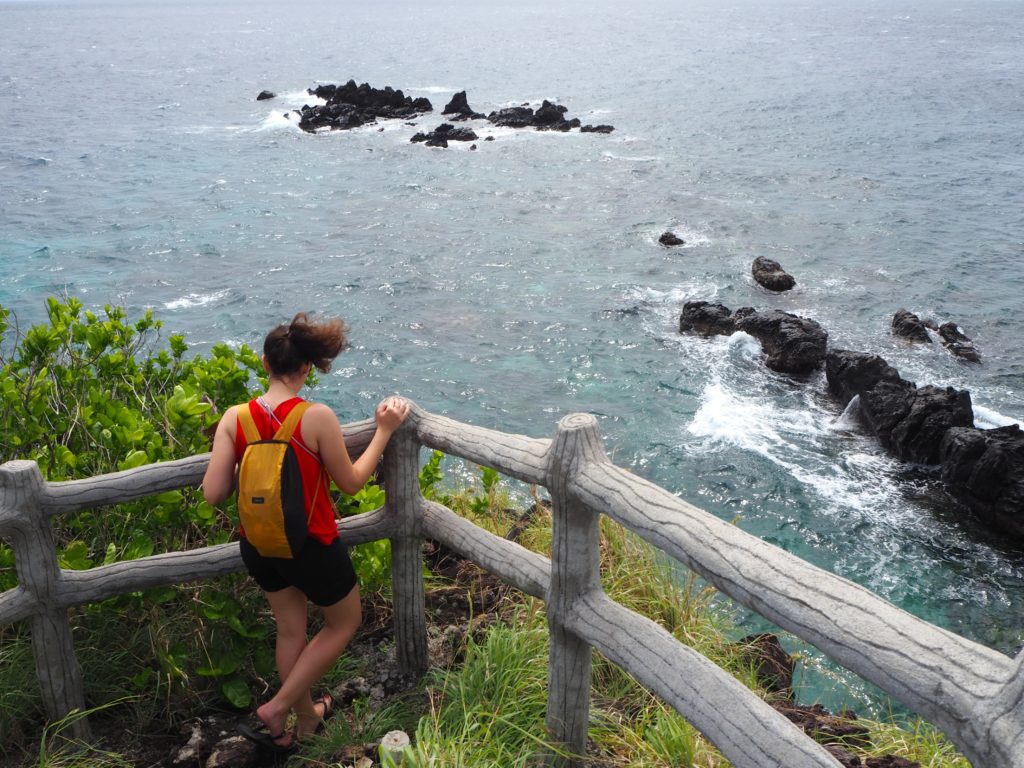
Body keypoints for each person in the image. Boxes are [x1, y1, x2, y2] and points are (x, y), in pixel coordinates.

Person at [202, 312, 410, 751]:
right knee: (344, 621)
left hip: (258, 544)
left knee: (290, 630)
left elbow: (213, 493)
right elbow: (352, 483)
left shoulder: (234, 418)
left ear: (265, 363)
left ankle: (305, 718)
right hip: (311, 545)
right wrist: (384, 430)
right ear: (307, 368)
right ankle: (277, 709)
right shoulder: (316, 418)